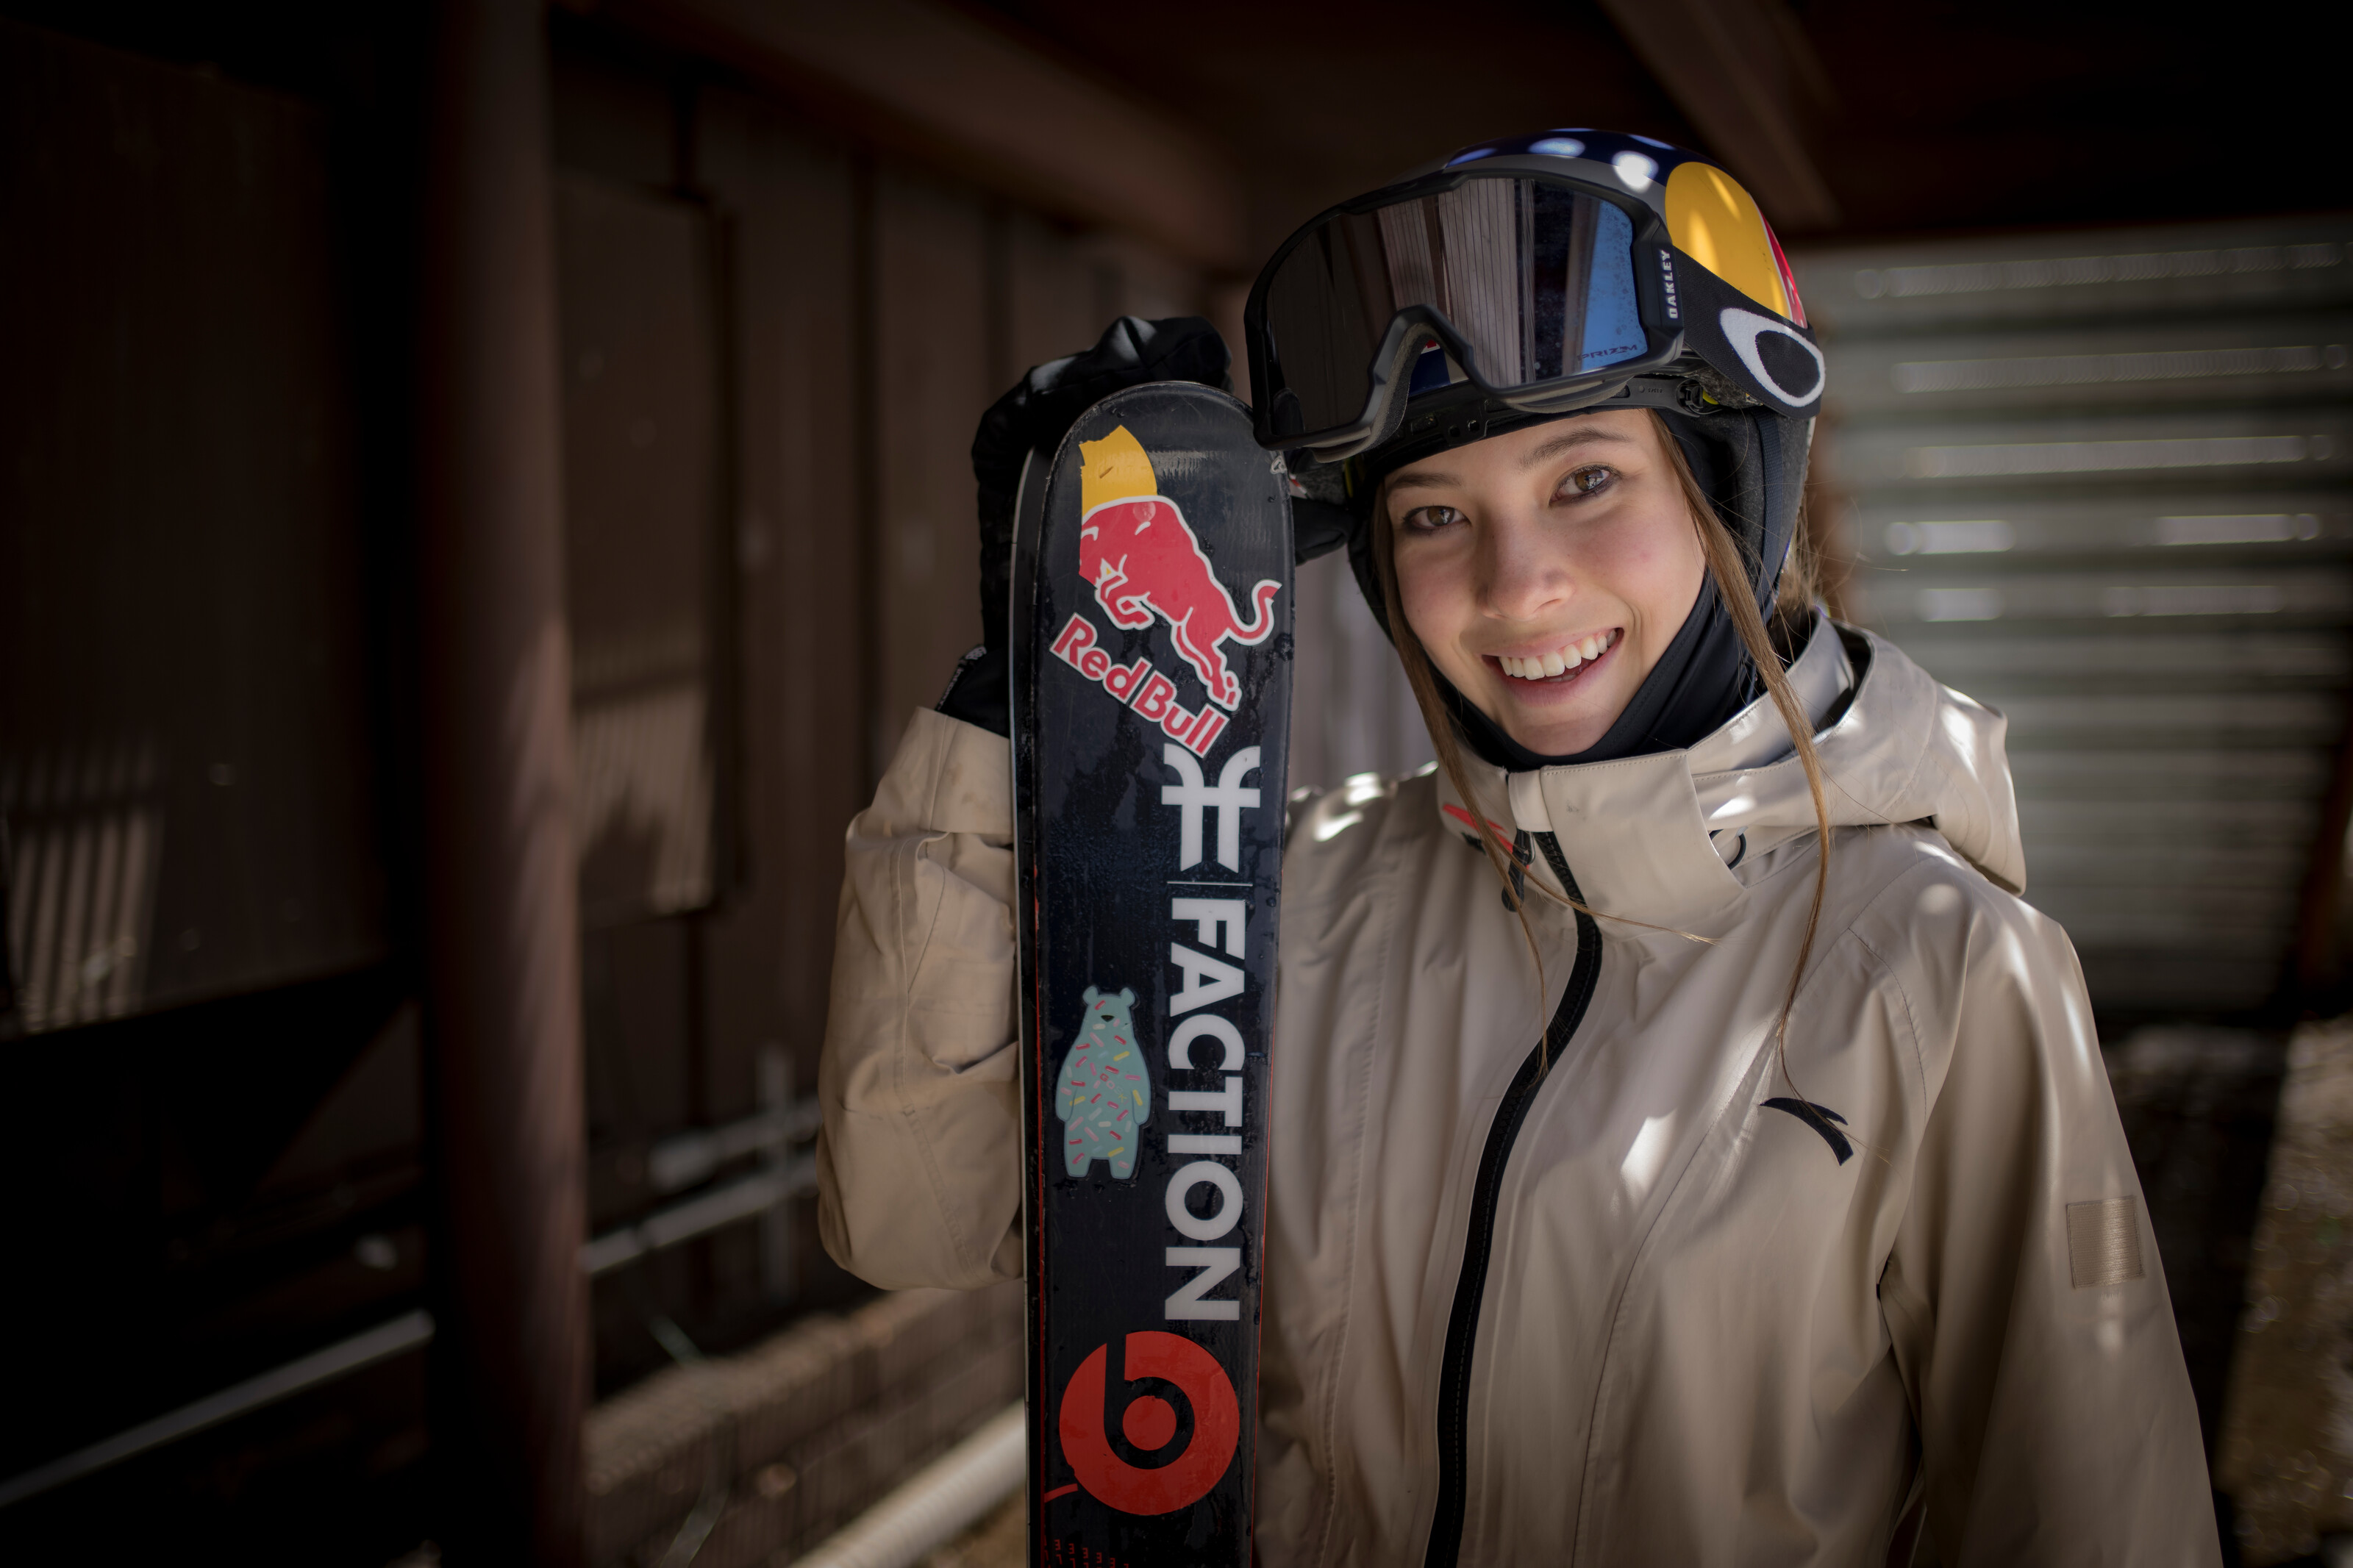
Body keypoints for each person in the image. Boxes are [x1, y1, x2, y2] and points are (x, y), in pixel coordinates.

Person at [816, 129, 2220, 1566]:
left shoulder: (1938, 967)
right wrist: (1025, 693)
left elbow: (2094, 1520)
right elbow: (921, 1213)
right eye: (1434, 513)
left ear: (1725, 486)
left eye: (1585, 479)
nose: (1514, 582)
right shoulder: (1287, 894)